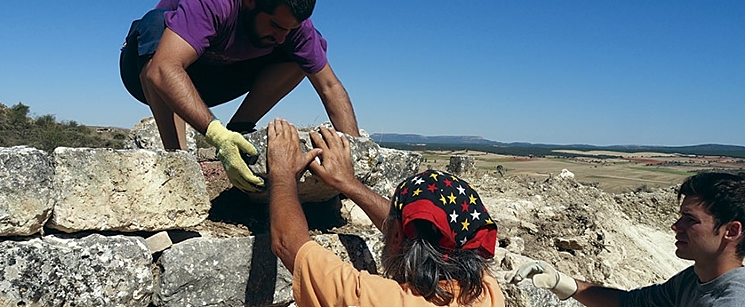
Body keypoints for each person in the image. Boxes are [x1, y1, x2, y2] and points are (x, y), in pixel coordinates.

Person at [119, 0, 359, 192]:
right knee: (155, 26)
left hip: (217, 77)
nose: (281, 36)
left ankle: (239, 130)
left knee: (306, 51)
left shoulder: (293, 28)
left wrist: (356, 161)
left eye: (290, 29)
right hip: (150, 73)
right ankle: (181, 169)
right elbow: (163, 68)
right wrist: (217, 136)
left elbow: (330, 86)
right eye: (275, 25)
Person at [266, 118, 505, 307]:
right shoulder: (486, 292)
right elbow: (411, 228)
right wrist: (349, 184)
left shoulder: (377, 299)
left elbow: (287, 243)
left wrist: (283, 175)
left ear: (398, 236)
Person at [507, 172, 745, 306]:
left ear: (731, 231)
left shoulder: (730, 302)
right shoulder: (692, 281)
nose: (676, 226)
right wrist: (561, 282)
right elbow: (631, 303)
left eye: (690, 220)